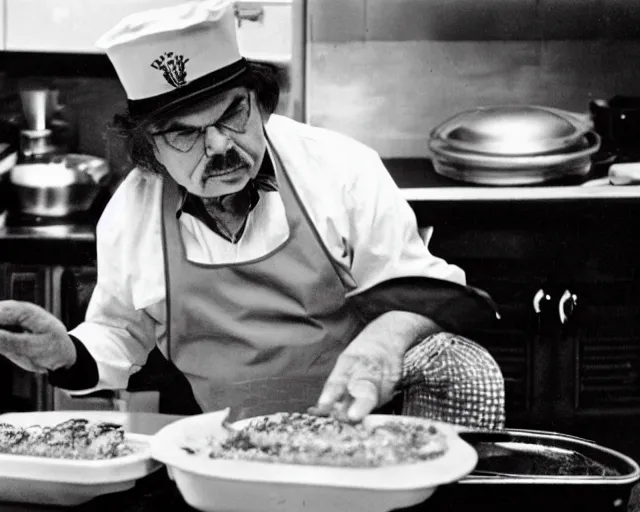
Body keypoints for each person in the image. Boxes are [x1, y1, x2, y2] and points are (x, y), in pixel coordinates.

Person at [0, 0, 505, 428]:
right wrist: (63, 353)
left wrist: (382, 344)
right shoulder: (131, 214)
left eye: (231, 114)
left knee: (464, 364)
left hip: (360, 425)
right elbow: (120, 334)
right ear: (150, 149)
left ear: (260, 104)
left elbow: (423, 290)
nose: (219, 144)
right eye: (185, 132)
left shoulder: (339, 169)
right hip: (223, 444)